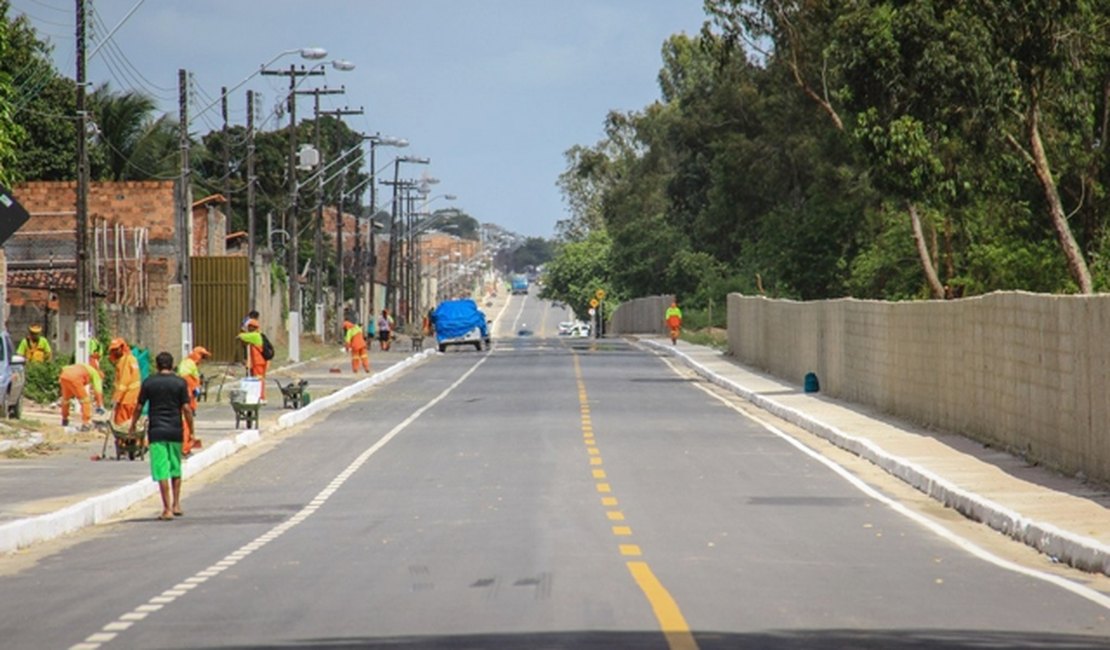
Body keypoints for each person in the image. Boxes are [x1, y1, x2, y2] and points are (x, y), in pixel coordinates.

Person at [130, 351, 192, 521]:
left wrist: (133, 424)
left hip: (156, 430)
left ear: (157, 365)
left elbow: (138, 406)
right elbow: (186, 408)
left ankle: (166, 509)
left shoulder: (149, 382)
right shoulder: (180, 382)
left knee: (162, 469)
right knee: (175, 467)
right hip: (175, 430)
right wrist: (191, 429)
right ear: (172, 365)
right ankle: (177, 504)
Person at [176, 346, 210, 455]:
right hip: (188, 397)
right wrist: (195, 390)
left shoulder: (187, 364)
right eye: (202, 357)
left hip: (186, 395)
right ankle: (185, 448)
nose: (203, 360)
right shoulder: (189, 366)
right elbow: (190, 383)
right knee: (186, 421)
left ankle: (185, 445)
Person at [58, 362, 104, 431]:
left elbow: (64, 368)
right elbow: (98, 391)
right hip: (74, 378)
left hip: (64, 376)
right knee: (85, 400)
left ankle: (64, 419)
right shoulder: (96, 375)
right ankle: (86, 423)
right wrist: (100, 405)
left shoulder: (87, 368)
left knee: (66, 399)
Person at [108, 338, 142, 426]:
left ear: (122, 348)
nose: (114, 352)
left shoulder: (124, 361)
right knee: (134, 424)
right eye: (113, 350)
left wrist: (116, 398)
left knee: (121, 424)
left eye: (116, 349)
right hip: (134, 398)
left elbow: (123, 382)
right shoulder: (132, 359)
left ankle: (123, 440)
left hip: (126, 399)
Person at [237, 319, 268, 403]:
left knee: (259, 380)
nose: (248, 328)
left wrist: (242, 333)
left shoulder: (255, 336)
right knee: (259, 380)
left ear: (252, 327)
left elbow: (241, 336)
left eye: (249, 327)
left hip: (259, 362)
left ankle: (261, 398)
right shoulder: (257, 335)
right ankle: (259, 396)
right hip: (259, 361)